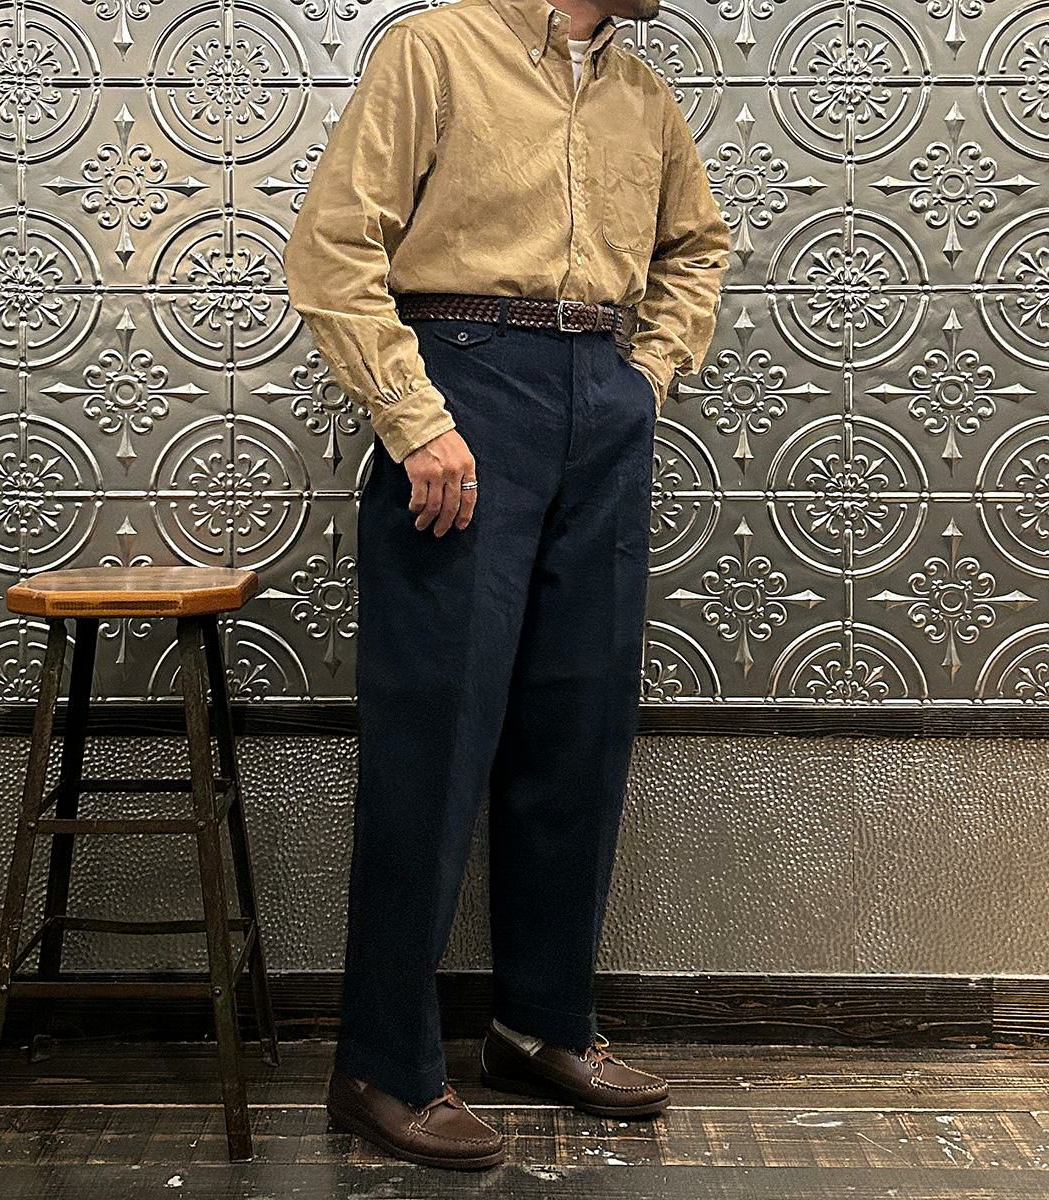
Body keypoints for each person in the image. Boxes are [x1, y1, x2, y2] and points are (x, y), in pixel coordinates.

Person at [283, 0, 731, 1170]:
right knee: (434, 739)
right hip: (464, 387)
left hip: (603, 396)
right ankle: (382, 1065)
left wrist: (646, 379)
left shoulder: (642, 94)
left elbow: (698, 245)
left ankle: (540, 1025)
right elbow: (334, 244)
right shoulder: (436, 50)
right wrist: (413, 417)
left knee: (580, 729)